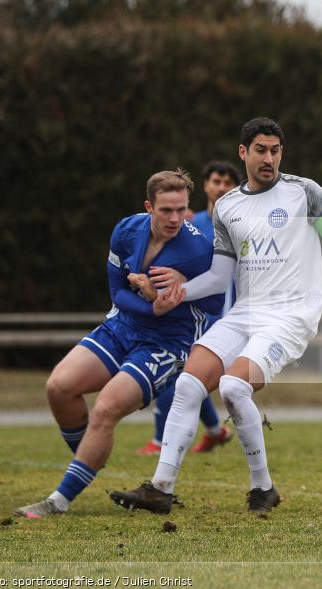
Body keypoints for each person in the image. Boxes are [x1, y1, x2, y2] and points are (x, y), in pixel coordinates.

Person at [110, 117, 322, 515]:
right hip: (245, 312)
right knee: (189, 383)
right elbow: (219, 277)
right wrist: (177, 292)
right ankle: (160, 489)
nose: (269, 158)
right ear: (243, 152)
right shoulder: (228, 207)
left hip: (292, 315)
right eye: (260, 150)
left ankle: (263, 486)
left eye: (275, 150)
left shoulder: (305, 193)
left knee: (232, 387)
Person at [15, 169, 224, 518]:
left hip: (167, 343)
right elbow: (117, 292)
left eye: (181, 210)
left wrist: (182, 288)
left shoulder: (199, 249)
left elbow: (216, 304)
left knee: (105, 409)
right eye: (166, 210)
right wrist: (151, 306)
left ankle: (58, 501)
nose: (176, 219)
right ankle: (88, 458)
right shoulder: (126, 230)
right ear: (148, 207)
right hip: (123, 326)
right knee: (59, 387)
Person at [135, 161, 241, 456]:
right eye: (216, 181)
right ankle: (215, 430)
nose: (221, 188)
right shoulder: (189, 224)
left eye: (228, 183)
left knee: (181, 373)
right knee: (187, 374)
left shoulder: (240, 224)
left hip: (219, 312)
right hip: (188, 309)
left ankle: (161, 442)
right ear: (206, 186)